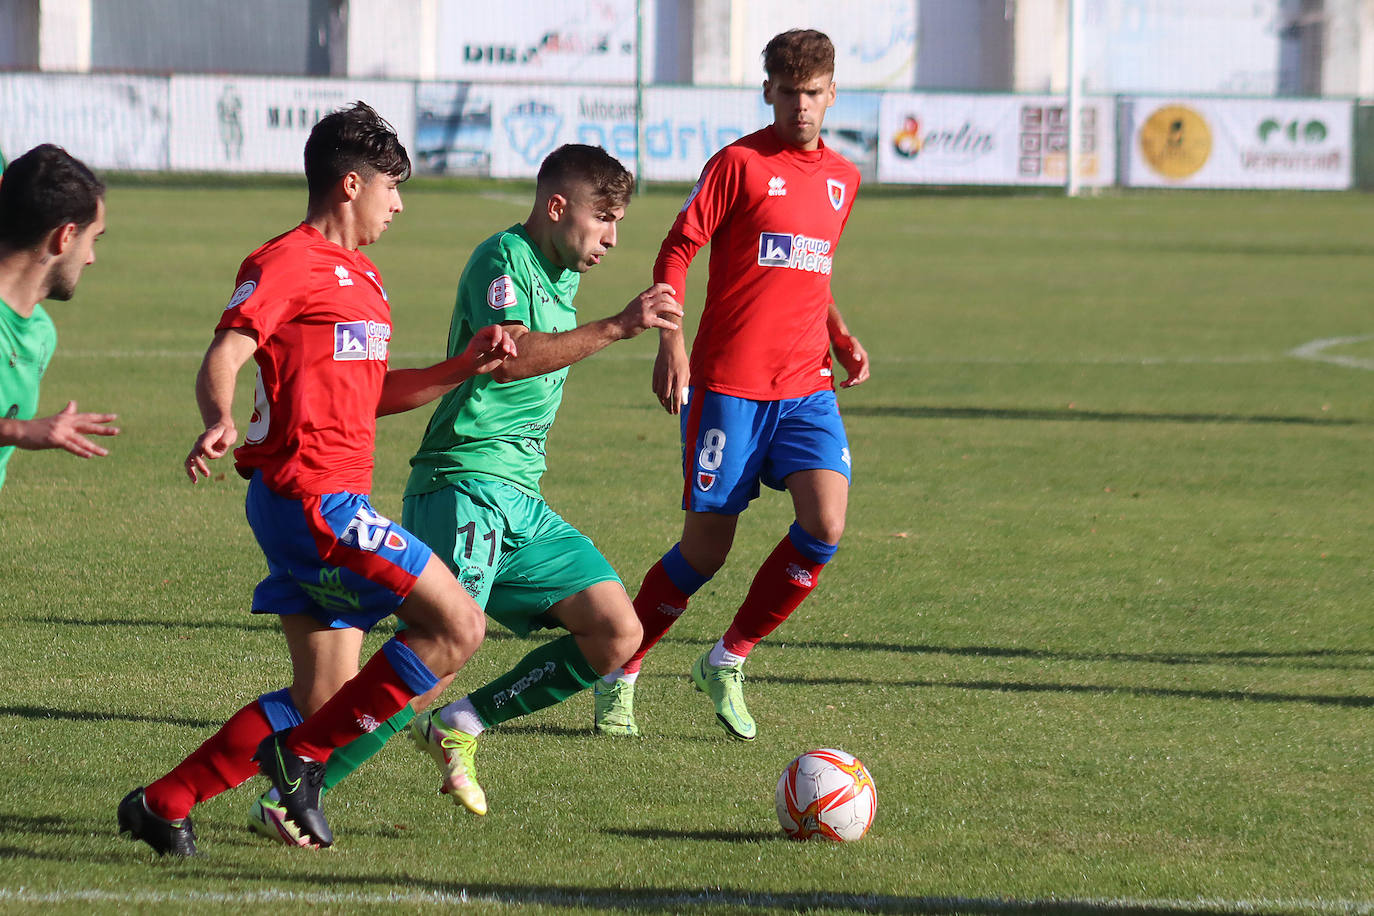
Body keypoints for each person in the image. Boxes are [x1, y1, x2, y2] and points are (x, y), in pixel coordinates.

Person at [118, 101, 516, 857]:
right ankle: (302, 764)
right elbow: (227, 353)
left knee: (320, 699)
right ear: (349, 184)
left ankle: (164, 803)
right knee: (458, 626)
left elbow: (367, 399)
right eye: (391, 188)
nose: (398, 204)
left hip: (314, 503)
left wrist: (462, 368)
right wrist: (218, 416)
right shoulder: (285, 261)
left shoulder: (367, 279)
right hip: (313, 501)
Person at [245, 143, 680, 835]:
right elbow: (507, 362)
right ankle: (297, 784)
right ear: (557, 206)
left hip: (521, 499)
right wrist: (617, 326)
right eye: (605, 220)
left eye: (619, 223)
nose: (612, 239)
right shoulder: (501, 260)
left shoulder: (561, 273)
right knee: (437, 656)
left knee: (617, 631)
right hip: (463, 484)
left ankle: (465, 723)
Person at [593, 29, 870, 741]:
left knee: (826, 524)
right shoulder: (739, 165)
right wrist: (671, 340)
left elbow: (811, 269)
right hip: (729, 386)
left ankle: (728, 656)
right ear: (769, 91)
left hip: (806, 385)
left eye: (813, 94)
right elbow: (679, 248)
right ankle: (623, 671)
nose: (800, 107)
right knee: (705, 551)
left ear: (831, 94)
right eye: (788, 93)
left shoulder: (844, 178)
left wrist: (839, 334)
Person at [0, 144, 118, 492]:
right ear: (66, 237)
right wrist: (20, 430)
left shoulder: (40, 333)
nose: (91, 258)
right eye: (92, 239)